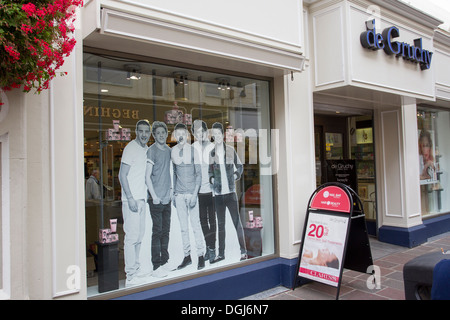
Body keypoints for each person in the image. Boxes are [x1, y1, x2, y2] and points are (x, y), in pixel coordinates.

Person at [118, 119, 151, 287]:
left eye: (147, 131)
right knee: (131, 238)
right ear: (136, 132)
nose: (144, 134)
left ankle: (136, 270)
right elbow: (122, 175)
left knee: (139, 237)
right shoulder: (130, 148)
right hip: (131, 199)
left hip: (142, 199)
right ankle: (130, 274)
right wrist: (130, 197)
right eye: (141, 131)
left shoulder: (146, 149)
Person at [209, 122, 247, 262]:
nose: (217, 136)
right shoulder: (211, 153)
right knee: (221, 225)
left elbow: (240, 167)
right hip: (218, 195)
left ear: (222, 135)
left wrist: (236, 176)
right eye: (215, 134)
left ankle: (243, 251)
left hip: (230, 193)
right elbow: (209, 172)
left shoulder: (230, 150)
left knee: (237, 223)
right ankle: (221, 254)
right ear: (213, 136)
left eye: (219, 133)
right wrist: (212, 179)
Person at [171, 122, 206, 270]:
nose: (181, 136)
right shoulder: (172, 151)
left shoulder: (193, 151)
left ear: (187, 135)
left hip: (191, 194)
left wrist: (194, 194)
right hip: (179, 195)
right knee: (184, 228)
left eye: (183, 133)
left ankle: (201, 256)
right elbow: (173, 173)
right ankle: (187, 257)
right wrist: (173, 193)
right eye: (177, 133)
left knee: (196, 226)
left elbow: (199, 174)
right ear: (174, 135)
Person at [145, 121, 172, 278]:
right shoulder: (151, 151)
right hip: (155, 199)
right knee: (157, 231)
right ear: (154, 135)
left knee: (166, 231)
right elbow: (147, 176)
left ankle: (164, 262)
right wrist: (154, 196)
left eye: (164, 132)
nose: (161, 135)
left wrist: (171, 193)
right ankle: (156, 265)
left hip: (167, 198)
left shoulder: (169, 150)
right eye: (158, 133)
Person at [192, 120, 216, 263]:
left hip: (212, 191)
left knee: (212, 221)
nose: (200, 134)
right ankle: (209, 246)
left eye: (202, 131)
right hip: (199, 190)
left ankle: (212, 249)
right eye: (197, 132)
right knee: (202, 221)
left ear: (207, 132)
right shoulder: (192, 148)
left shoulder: (213, 147)